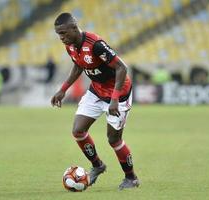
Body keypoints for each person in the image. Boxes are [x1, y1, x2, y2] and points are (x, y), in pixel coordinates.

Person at [51, 13, 139, 190]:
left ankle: (131, 178)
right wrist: (63, 89)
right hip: (96, 90)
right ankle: (98, 165)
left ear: (74, 28)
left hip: (118, 94)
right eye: (58, 34)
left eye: (63, 33)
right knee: (78, 130)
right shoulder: (70, 46)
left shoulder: (95, 45)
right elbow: (78, 65)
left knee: (113, 139)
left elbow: (122, 67)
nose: (61, 38)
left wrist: (114, 99)